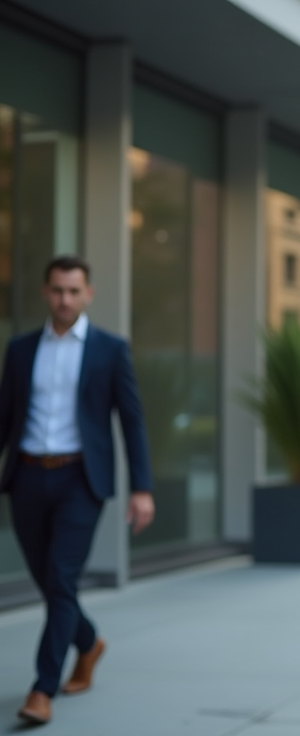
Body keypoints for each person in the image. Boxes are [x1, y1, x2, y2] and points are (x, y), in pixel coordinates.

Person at [0, 256, 155, 726]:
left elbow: (132, 420)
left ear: (88, 294)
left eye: (73, 291)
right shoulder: (21, 349)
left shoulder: (110, 349)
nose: (64, 300)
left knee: (61, 578)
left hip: (79, 481)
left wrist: (142, 488)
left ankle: (42, 689)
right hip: (27, 476)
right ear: (45, 293)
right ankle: (88, 642)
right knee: (51, 583)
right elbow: (5, 416)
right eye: (56, 291)